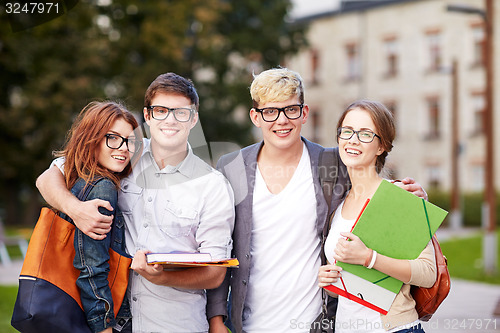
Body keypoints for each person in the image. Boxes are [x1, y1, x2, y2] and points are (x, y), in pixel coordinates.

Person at [207, 68, 428, 333]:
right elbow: (219, 246)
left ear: (304, 112)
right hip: (251, 323)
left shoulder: (332, 163)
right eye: (270, 111)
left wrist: (411, 197)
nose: (281, 120)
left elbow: (372, 180)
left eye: (290, 109)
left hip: (315, 322)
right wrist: (216, 319)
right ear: (256, 117)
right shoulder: (231, 167)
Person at [36, 73, 235, 332]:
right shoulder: (125, 152)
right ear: (148, 116)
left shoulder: (213, 185)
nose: (170, 120)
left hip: (174, 324)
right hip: (116, 323)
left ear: (194, 118)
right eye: (161, 110)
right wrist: (77, 210)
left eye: (181, 113)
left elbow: (216, 272)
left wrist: (162, 277)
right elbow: (48, 177)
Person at [317, 100, 436, 333]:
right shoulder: (337, 208)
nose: (353, 140)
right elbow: (347, 288)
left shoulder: (400, 197)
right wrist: (329, 281)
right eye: (347, 131)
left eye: (365, 134)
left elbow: (428, 273)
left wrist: (369, 258)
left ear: (381, 146)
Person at [53, 101, 140, 333]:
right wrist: (105, 327)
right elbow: (92, 269)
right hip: (106, 321)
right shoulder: (103, 189)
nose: (123, 148)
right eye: (112, 138)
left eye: (129, 141)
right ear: (92, 138)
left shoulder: (76, 181)